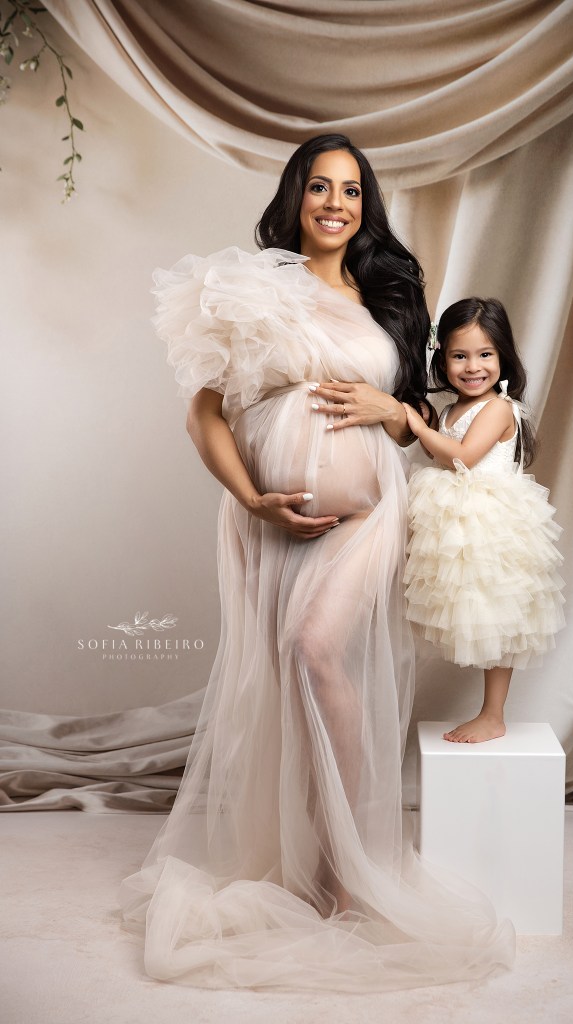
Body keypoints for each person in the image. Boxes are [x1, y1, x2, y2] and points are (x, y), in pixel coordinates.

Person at [118, 136, 514, 991]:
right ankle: (306, 861)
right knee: (289, 678)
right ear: (296, 195)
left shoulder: (388, 299)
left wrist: (391, 410)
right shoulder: (256, 289)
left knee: (315, 647)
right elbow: (203, 416)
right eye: (321, 187)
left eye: (351, 191)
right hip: (272, 522)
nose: (336, 203)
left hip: (369, 515)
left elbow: (409, 417)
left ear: (365, 205)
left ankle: (347, 867)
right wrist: (251, 497)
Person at [403, 298, 566, 745]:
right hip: (459, 520)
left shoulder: (498, 407)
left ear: (502, 355)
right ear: (442, 359)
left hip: (492, 521)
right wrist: (427, 423)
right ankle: (488, 712)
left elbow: (463, 456)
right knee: (474, 608)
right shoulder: (452, 408)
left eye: (485, 354)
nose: (473, 367)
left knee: (501, 614)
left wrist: (418, 427)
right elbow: (439, 450)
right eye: (459, 355)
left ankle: (493, 715)